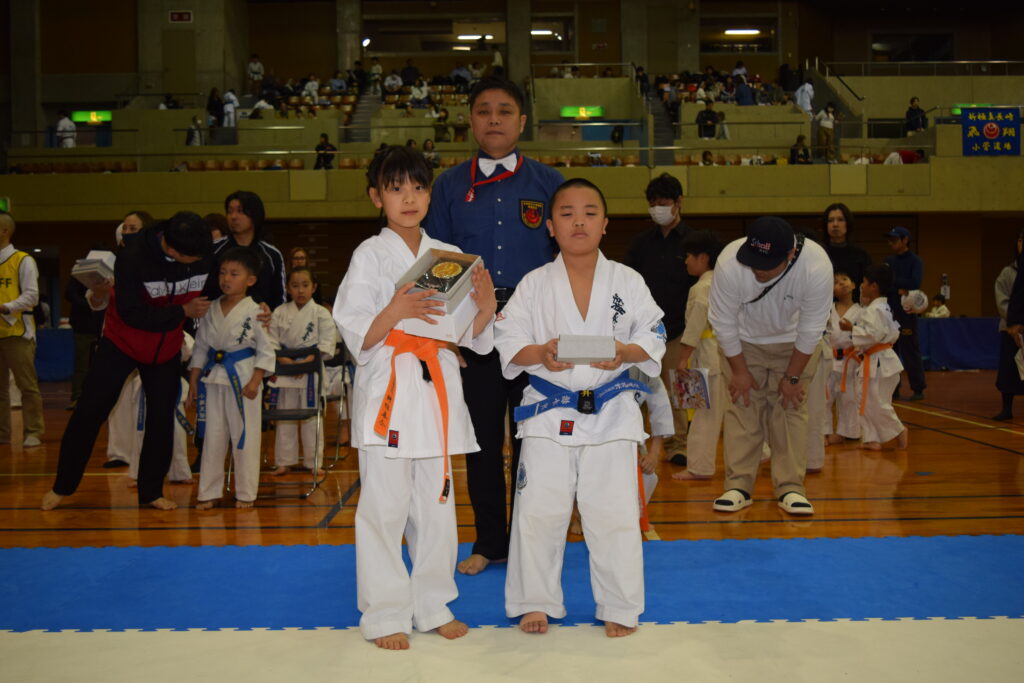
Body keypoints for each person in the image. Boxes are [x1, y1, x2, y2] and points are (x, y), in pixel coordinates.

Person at [334, 145, 496, 649]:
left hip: (435, 390)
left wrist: (485, 307)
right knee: (384, 509)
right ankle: (385, 613)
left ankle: (432, 604)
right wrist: (394, 310)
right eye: (396, 188)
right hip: (390, 388)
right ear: (376, 197)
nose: (409, 198)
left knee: (436, 506)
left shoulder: (446, 255)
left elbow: (467, 335)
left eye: (419, 187)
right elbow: (354, 329)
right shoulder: (369, 255)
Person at [495, 177, 665, 638]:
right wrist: (541, 353)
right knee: (538, 513)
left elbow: (654, 333)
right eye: (567, 214)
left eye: (590, 213)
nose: (579, 222)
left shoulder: (627, 281)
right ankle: (534, 600)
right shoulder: (534, 284)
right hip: (548, 412)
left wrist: (626, 352)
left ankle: (619, 604)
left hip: (610, 410)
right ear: (550, 226)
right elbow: (508, 339)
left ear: (605, 224)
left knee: (614, 513)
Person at [423, 77, 564, 577]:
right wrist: (445, 338)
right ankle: (490, 542)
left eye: (504, 111)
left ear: (522, 121)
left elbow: (568, 259)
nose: (494, 119)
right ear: (471, 121)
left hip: (533, 332)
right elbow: (436, 263)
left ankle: (530, 541)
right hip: (473, 331)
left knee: (535, 441)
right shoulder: (448, 186)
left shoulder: (550, 184)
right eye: (484, 111)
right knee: (481, 440)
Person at [42, 213, 214, 510]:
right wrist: (181, 311)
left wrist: (259, 306)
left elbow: (224, 286)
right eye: (192, 258)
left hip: (165, 348)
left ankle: (151, 491)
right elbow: (133, 314)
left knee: (161, 419)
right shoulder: (133, 256)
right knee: (89, 411)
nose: (199, 262)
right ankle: (62, 486)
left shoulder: (200, 252)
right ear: (172, 249)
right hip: (122, 343)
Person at [707, 216, 833, 516]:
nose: (758, 270)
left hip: (794, 343)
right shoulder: (729, 262)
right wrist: (739, 371)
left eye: (767, 264)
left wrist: (793, 377)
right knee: (742, 405)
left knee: (790, 408)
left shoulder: (816, 265)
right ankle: (738, 486)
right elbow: (722, 322)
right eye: (753, 262)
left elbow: (812, 328)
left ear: (790, 254)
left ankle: (791, 487)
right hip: (743, 341)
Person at [188, 248, 276, 509]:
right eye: (223, 273)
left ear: (250, 280)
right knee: (213, 435)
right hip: (214, 377)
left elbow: (266, 350)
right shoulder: (210, 308)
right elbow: (201, 347)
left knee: (245, 435)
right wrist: (193, 379)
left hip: (244, 377)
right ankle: (209, 492)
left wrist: (256, 380)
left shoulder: (256, 311)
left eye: (234, 274)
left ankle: (246, 494)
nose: (226, 278)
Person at [625, 173, 693, 464]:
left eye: (663, 203)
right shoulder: (641, 243)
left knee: (678, 390)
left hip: (680, 331)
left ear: (679, 203)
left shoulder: (692, 241)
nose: (657, 209)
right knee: (639, 387)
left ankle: (679, 444)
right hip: (644, 332)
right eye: (652, 203)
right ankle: (636, 441)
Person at [269, 267, 336, 475]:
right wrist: (287, 361)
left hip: (311, 370)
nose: (300, 290)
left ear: (313, 287)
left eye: (305, 285)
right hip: (285, 369)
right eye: (295, 286)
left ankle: (313, 461)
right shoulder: (279, 312)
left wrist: (307, 362)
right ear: (288, 288)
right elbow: (271, 341)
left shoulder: (321, 313)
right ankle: (284, 461)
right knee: (285, 416)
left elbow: (327, 342)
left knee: (312, 419)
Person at [673, 230, 725, 480]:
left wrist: (683, 357)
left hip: (704, 356)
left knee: (703, 414)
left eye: (689, 256)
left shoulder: (701, 288)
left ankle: (699, 467)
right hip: (725, 355)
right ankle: (761, 452)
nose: (686, 261)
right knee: (734, 411)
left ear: (703, 258)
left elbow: (695, 326)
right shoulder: (725, 284)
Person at [844, 264, 909, 451]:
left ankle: (899, 430)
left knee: (876, 402)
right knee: (866, 399)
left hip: (880, 362)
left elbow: (873, 335)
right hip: (878, 360)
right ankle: (871, 438)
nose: (861, 285)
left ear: (873, 286)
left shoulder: (876, 309)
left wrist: (852, 329)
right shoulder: (880, 307)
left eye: (864, 282)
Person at [0, 211, 44, 448]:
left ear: (4, 231)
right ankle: (2, 433)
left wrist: (6, 307)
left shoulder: (22, 260)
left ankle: (33, 431)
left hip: (18, 332)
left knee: (27, 385)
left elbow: (32, 296)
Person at [203, 191, 286, 311]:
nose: (233, 217)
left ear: (255, 215)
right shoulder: (213, 250)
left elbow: (279, 300)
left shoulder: (272, 255)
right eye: (230, 211)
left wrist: (271, 315)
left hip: (260, 320)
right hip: (217, 318)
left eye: (240, 211)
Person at [884, 226, 926, 400]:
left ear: (905, 240)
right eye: (890, 240)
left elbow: (914, 282)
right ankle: (893, 388)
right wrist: (899, 287)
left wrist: (896, 283)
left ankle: (918, 388)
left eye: (894, 239)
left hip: (907, 313)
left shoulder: (915, 261)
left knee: (910, 350)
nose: (891, 243)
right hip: (889, 312)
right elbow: (885, 282)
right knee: (890, 351)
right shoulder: (889, 261)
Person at [824, 272, 864, 445]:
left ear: (853, 285)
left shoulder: (862, 311)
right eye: (836, 282)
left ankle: (848, 432)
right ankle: (823, 432)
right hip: (829, 358)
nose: (841, 284)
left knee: (849, 397)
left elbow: (866, 335)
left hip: (851, 359)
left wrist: (853, 329)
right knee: (825, 397)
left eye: (845, 280)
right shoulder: (827, 310)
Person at [993, 230, 1024, 420]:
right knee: (1008, 370)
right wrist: (1015, 323)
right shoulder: (1008, 273)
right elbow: (1002, 301)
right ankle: (1007, 408)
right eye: (1019, 240)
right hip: (1010, 329)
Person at [821, 203, 871, 302]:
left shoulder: (861, 255)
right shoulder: (819, 253)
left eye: (840, 220)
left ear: (848, 223)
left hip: (855, 307)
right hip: (823, 307)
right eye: (830, 220)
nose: (835, 224)